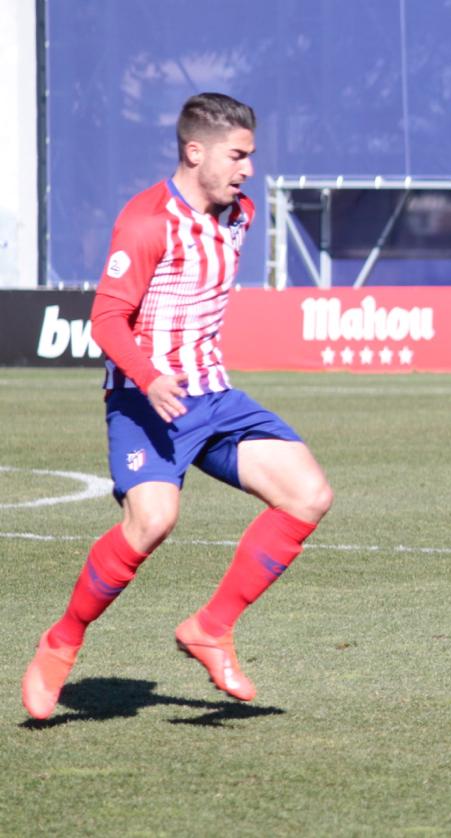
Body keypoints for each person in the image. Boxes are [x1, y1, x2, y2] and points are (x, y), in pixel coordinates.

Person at [21, 93, 333, 721]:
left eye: (251, 155)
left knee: (309, 495)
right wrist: (149, 375)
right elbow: (106, 319)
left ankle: (211, 628)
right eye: (237, 155)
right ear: (196, 152)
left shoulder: (239, 213)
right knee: (153, 521)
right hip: (145, 398)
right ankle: (62, 642)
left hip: (214, 395)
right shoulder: (145, 221)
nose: (249, 170)